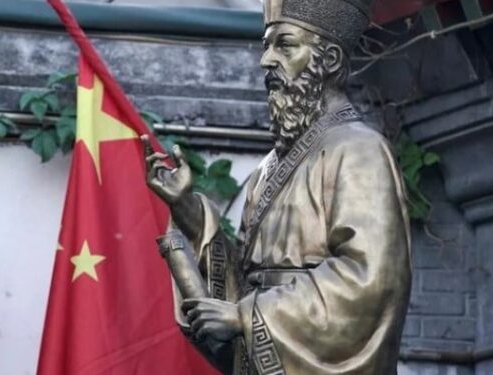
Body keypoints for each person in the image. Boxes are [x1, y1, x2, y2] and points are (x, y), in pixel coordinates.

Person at [143, 0, 411, 373]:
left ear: (330, 60)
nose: (266, 61)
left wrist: (246, 316)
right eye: (265, 46)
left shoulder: (359, 149)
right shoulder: (268, 168)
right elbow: (246, 280)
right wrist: (187, 211)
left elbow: (372, 280)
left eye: (285, 45)